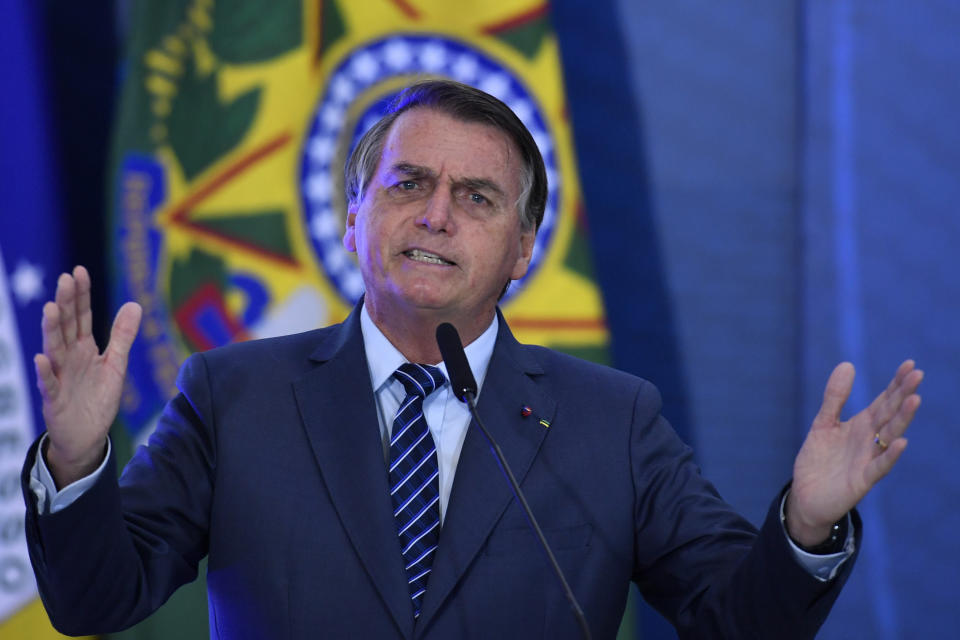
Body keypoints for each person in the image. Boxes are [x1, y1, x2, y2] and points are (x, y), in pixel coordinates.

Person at [23, 80, 923, 639]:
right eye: (408, 184)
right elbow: (98, 601)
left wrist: (803, 529)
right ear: (352, 216)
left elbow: (735, 622)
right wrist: (73, 462)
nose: (436, 214)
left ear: (524, 247)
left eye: (477, 197)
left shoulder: (614, 421)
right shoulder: (232, 397)